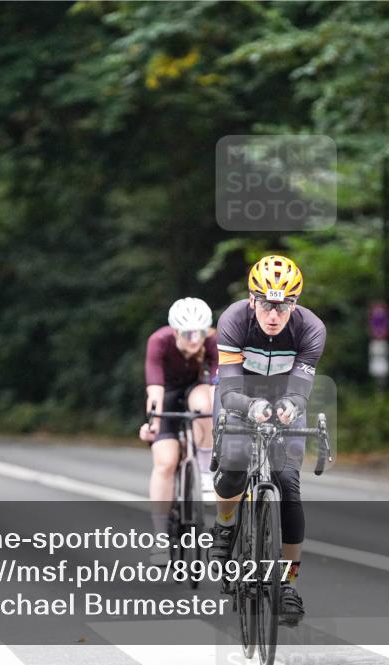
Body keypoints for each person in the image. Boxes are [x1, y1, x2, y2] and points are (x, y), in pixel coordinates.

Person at [209, 255, 326, 626]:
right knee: (233, 464)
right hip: (239, 396)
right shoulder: (233, 320)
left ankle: (288, 583)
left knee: (288, 485)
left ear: (296, 303)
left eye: (283, 306)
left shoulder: (311, 328)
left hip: (284, 400)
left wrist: (290, 406)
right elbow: (229, 391)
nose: (274, 315)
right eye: (265, 304)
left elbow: (300, 391)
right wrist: (251, 406)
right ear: (251, 300)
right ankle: (225, 525)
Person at [139, 297, 218, 564]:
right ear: (175, 331)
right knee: (165, 462)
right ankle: (160, 536)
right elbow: (155, 390)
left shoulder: (213, 342)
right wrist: (153, 423)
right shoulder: (159, 341)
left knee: (206, 405)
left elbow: (218, 387)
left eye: (200, 332)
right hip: (168, 396)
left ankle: (204, 471)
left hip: (199, 391)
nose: (194, 339)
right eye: (187, 333)